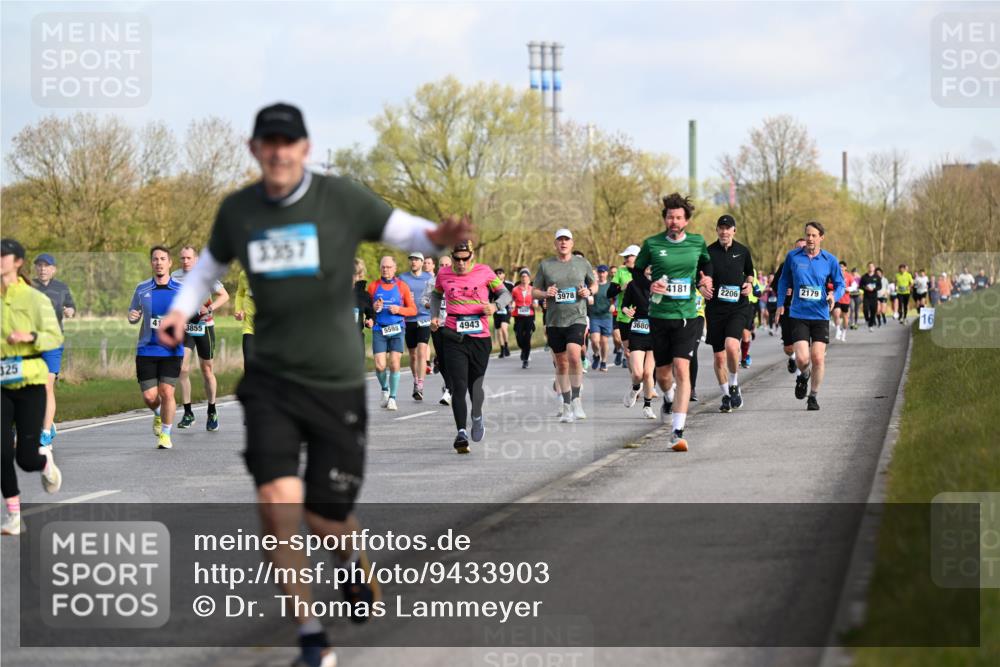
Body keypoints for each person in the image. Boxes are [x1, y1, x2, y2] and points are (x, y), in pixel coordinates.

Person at [156, 102, 470, 667]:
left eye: (289, 142)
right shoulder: (239, 211)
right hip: (271, 380)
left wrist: (436, 237)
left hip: (334, 382)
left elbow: (405, 231)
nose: (279, 152)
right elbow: (205, 270)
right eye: (268, 143)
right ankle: (310, 637)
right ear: (255, 150)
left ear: (304, 148)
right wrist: (179, 311)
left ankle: (350, 562)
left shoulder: (340, 199)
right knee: (276, 504)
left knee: (325, 518)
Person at [632, 193, 713, 451]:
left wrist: (706, 280)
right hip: (659, 316)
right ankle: (668, 397)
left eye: (678, 217)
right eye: (670, 217)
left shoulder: (697, 242)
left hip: (687, 316)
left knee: (682, 369)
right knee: (663, 375)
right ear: (665, 219)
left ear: (686, 220)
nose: (674, 221)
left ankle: (677, 432)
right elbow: (637, 272)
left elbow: (707, 265)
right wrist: (649, 284)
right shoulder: (652, 244)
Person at [1, 239, 64, 536]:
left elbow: (54, 337)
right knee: (1, 452)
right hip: (1, 385)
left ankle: (44, 463)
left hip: (30, 384)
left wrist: (30, 337)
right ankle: (13, 515)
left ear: (18, 262)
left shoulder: (34, 298)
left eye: (4, 256)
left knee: (25, 459)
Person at [429, 241, 510, 453]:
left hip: (480, 338)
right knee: (458, 385)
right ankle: (461, 433)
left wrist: (495, 306)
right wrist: (434, 315)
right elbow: (436, 295)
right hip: (453, 335)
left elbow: (506, 294)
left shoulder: (485, 272)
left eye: (465, 259)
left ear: (472, 256)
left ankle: (477, 416)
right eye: (457, 259)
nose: (461, 263)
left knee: (475, 386)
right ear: (452, 257)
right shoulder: (443, 274)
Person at [775, 222, 845, 411]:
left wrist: (834, 296)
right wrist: (780, 303)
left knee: (818, 358)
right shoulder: (793, 257)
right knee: (803, 359)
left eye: (814, 235)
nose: (810, 239)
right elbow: (783, 280)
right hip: (798, 314)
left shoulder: (830, 260)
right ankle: (804, 374)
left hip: (820, 314)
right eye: (807, 235)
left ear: (821, 237)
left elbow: (840, 284)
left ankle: (813, 396)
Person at [533, 229, 595, 422]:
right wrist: (546, 294)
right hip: (554, 321)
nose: (563, 243)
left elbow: (594, 285)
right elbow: (534, 291)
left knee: (574, 356)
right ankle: (566, 404)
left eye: (566, 239)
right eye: (560, 240)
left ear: (572, 243)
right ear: (555, 244)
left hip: (577, 317)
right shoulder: (546, 265)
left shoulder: (582, 263)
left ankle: (577, 400)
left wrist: (588, 292)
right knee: (561, 363)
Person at [128, 246, 185, 449]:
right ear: (151, 263)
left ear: (170, 263)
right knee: (150, 396)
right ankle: (158, 413)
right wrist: (132, 317)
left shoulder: (181, 290)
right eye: (155, 259)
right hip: (147, 349)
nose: (159, 262)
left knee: (167, 391)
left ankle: (166, 434)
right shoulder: (142, 289)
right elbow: (133, 315)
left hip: (172, 350)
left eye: (162, 259)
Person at [172, 245, 229, 432]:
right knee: (182, 369)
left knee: (206, 370)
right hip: (186, 327)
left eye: (189, 258)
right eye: (182, 258)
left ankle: (212, 411)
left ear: (196, 259)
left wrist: (209, 308)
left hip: (204, 327)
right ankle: (188, 413)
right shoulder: (175, 276)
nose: (185, 261)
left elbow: (224, 296)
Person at [704, 214, 754, 413]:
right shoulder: (708, 252)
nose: (724, 232)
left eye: (728, 228)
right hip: (715, 309)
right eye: (721, 228)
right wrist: (701, 287)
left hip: (737, 307)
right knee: (719, 358)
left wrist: (749, 284)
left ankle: (733, 384)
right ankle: (726, 395)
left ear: (734, 230)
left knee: (732, 346)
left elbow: (750, 273)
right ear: (717, 230)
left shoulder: (742, 251)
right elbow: (701, 277)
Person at [31, 253, 76, 447]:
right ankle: (42, 422)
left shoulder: (61, 288)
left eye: (46, 266)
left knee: (47, 385)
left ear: (53, 269)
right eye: (39, 265)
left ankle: (46, 432)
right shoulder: (28, 287)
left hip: (53, 343)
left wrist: (69, 311)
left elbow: (71, 307)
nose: (42, 269)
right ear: (36, 268)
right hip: (31, 344)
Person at [368, 256, 417, 411]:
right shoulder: (373, 286)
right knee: (380, 365)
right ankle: (385, 389)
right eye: (383, 267)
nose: (386, 270)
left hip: (397, 328)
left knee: (394, 363)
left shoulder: (402, 286)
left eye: (389, 267)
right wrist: (373, 308)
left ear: (395, 269)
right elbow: (367, 309)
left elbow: (413, 310)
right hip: (379, 329)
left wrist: (399, 310)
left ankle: (392, 398)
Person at [620, 265, 658, 419]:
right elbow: (624, 305)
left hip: (657, 332)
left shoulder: (663, 284)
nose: (650, 268)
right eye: (647, 265)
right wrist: (627, 311)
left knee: (648, 372)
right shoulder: (633, 284)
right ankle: (635, 388)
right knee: (637, 373)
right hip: (638, 331)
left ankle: (647, 406)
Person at [398, 251, 433, 401]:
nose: (413, 262)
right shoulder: (402, 278)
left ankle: (420, 385)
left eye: (416, 260)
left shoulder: (429, 278)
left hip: (425, 318)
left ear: (422, 262)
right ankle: (415, 380)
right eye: (411, 259)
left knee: (422, 351)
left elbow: (435, 297)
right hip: (408, 319)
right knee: (412, 354)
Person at [773, 238, 807, 373]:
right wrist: (784, 290)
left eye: (803, 247)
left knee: (803, 343)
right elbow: (775, 284)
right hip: (787, 309)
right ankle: (792, 357)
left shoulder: (813, 264)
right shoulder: (785, 265)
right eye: (798, 248)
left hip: (805, 309)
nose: (801, 250)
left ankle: (800, 374)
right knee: (788, 347)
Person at [430, 255, 454, 405]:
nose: (444, 267)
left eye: (447, 265)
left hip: (452, 325)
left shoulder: (457, 282)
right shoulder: (431, 282)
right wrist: (430, 306)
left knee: (452, 358)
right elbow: (425, 299)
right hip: (437, 325)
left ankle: (450, 389)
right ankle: (449, 385)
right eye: (441, 265)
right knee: (442, 359)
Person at [610, 245, 639, 367]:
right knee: (628, 353)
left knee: (640, 350)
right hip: (624, 316)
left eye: (628, 256)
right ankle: (636, 377)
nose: (625, 259)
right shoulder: (621, 272)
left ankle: (643, 373)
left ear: (637, 257)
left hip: (641, 317)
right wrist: (621, 288)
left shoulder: (646, 271)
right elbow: (609, 293)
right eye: (625, 257)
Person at [588, 265, 614, 372]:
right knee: (594, 340)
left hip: (606, 317)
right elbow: (588, 295)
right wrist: (589, 299)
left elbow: (617, 298)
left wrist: (614, 305)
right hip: (594, 316)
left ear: (607, 273)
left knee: (604, 342)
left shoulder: (611, 286)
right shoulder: (593, 286)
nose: (601, 274)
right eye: (599, 272)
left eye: (603, 272)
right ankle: (596, 355)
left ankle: (603, 362)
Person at [510, 268, 537, 369]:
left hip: (529, 316)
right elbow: (512, 301)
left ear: (529, 278)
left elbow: (536, 303)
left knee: (527, 337)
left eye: (526, 276)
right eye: (522, 276)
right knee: (519, 338)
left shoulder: (533, 289)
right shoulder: (515, 290)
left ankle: (525, 359)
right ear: (520, 278)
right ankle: (523, 349)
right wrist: (512, 305)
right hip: (518, 316)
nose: (524, 278)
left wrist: (534, 304)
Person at [490, 267, 515, 359]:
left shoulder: (510, 285)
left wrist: (513, 304)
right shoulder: (492, 285)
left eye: (500, 273)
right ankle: (502, 349)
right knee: (499, 331)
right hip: (497, 309)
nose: (498, 275)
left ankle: (506, 346)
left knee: (504, 328)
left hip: (506, 309)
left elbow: (514, 296)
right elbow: (490, 298)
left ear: (504, 275)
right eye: (496, 273)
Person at [233, 269, 256, 365]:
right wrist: (239, 310)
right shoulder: (244, 274)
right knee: (249, 364)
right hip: (249, 328)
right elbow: (240, 293)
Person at [353, 258, 374, 338]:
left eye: (358, 274)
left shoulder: (365, 295)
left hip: (357, 339)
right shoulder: (336, 291)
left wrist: (370, 321)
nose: (356, 278)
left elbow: (371, 314)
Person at [832, 261, 852, 341]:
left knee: (845, 318)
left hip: (845, 300)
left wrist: (848, 289)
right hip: (837, 298)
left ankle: (844, 332)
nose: (840, 268)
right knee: (836, 313)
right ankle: (838, 330)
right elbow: (829, 284)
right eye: (839, 266)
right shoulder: (834, 275)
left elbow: (854, 286)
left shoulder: (849, 276)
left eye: (842, 266)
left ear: (845, 268)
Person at [859, 262, 881, 331]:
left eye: (872, 266)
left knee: (873, 311)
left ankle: (870, 325)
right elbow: (860, 286)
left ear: (874, 268)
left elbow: (880, 286)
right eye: (869, 266)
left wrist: (874, 289)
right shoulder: (864, 277)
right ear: (867, 268)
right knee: (865, 309)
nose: (870, 268)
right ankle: (867, 319)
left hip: (874, 297)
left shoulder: (877, 277)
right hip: (866, 297)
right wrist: (865, 288)